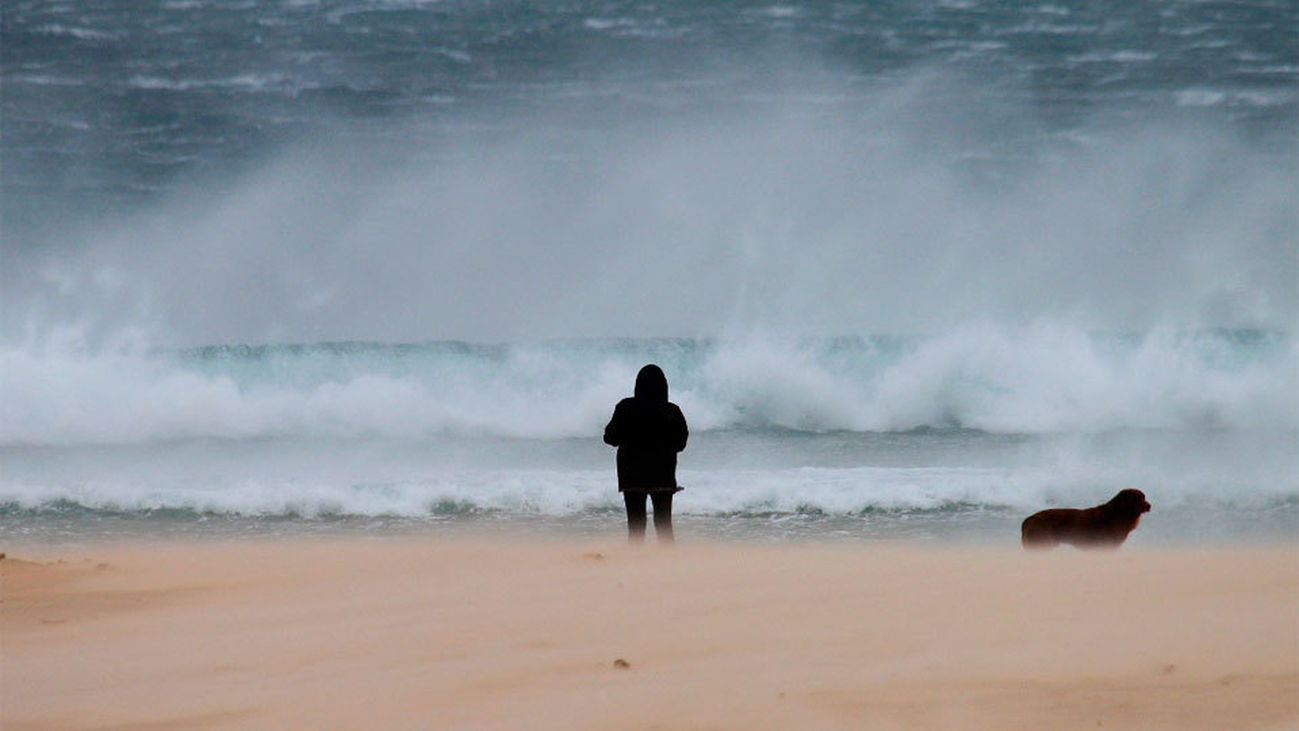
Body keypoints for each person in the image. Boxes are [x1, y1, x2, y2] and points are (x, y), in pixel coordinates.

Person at [603, 364, 688, 544]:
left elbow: (609, 438)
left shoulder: (625, 407)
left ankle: (635, 559)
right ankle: (668, 558)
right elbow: (681, 444)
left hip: (631, 475)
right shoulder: (672, 411)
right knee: (664, 523)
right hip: (663, 474)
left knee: (636, 524)